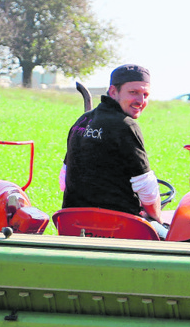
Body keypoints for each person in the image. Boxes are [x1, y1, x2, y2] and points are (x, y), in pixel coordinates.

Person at [60, 64, 166, 236]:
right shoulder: (126, 125)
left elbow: (64, 179)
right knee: (172, 237)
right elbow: (146, 185)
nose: (140, 100)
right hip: (117, 225)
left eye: (145, 94)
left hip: (72, 223)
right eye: (133, 92)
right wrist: (157, 217)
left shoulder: (82, 121)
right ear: (113, 92)